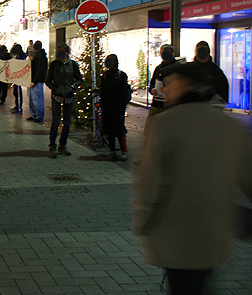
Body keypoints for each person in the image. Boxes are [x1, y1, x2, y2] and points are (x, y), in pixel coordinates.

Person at [132, 62, 252, 295]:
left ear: (185, 85)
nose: (164, 90)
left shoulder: (164, 124)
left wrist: (143, 220)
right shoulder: (229, 125)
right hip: (214, 233)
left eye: (169, 84)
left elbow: (150, 182)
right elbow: (248, 175)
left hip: (176, 233)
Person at [45, 43, 83, 158]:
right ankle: (52, 145)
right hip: (57, 96)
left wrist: (73, 86)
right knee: (56, 121)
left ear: (67, 53)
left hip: (69, 96)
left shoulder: (73, 65)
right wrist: (54, 88)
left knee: (66, 123)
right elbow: (48, 80)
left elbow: (79, 79)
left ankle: (63, 145)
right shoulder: (53, 65)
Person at [100, 54, 130, 161]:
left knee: (119, 129)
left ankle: (123, 150)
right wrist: (102, 105)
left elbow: (124, 92)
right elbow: (103, 91)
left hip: (117, 108)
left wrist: (121, 105)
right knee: (109, 129)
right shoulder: (105, 75)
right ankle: (112, 150)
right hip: (107, 107)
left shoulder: (121, 75)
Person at [146, 44, 177, 131]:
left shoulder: (177, 68)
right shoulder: (158, 68)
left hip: (170, 106)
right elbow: (152, 83)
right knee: (151, 130)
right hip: (157, 104)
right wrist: (152, 90)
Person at [27, 40, 47, 122]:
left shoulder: (41, 57)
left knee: (37, 99)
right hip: (32, 80)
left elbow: (40, 70)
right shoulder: (36, 55)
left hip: (36, 81)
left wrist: (34, 81)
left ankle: (38, 116)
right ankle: (34, 115)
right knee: (32, 99)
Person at [10, 44, 26, 113]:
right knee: (16, 92)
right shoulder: (17, 55)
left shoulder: (21, 56)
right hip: (16, 76)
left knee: (18, 92)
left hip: (18, 77)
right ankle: (17, 106)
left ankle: (19, 107)